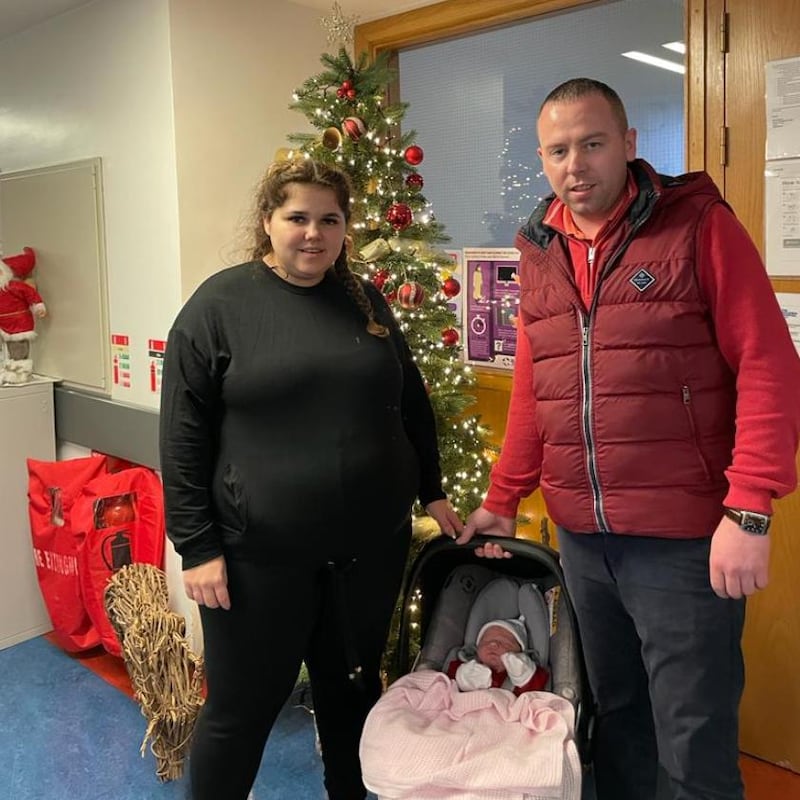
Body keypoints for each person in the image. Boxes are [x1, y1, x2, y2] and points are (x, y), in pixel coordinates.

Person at [459, 78, 800, 800]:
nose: (575, 164)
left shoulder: (698, 226)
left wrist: (749, 507)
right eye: (559, 150)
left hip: (684, 542)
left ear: (628, 145)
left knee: (692, 739)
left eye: (592, 143)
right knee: (615, 722)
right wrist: (503, 495)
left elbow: (769, 363)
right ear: (543, 159)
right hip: (584, 542)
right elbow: (536, 385)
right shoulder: (541, 248)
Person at [159, 157, 462, 800]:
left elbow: (410, 402)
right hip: (257, 556)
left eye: (331, 219)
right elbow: (183, 437)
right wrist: (199, 547)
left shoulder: (363, 299)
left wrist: (431, 488)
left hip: (366, 550)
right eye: (297, 217)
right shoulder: (219, 307)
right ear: (268, 221)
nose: (314, 234)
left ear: (346, 227)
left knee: (351, 694)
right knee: (242, 711)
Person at [445, 617, 549, 695]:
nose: (493, 644)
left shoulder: (523, 675)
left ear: (519, 653)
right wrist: (463, 678)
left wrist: (524, 676)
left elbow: (536, 696)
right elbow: (445, 682)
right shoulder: (462, 665)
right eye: (486, 641)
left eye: (505, 643)